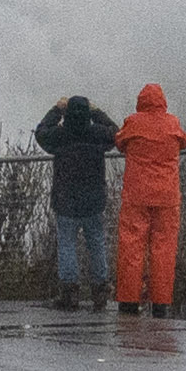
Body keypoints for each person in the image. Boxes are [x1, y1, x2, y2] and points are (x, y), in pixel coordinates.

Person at [30, 91, 116, 310]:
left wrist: (56, 110)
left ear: (67, 114)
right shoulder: (97, 134)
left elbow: (41, 133)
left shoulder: (60, 135)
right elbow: (116, 132)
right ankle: (100, 292)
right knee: (96, 244)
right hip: (93, 200)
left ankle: (70, 294)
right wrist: (97, 112)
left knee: (67, 245)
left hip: (66, 199)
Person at [114, 81, 186, 317]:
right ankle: (161, 303)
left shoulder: (133, 122)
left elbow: (120, 142)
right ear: (162, 102)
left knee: (131, 246)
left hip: (137, 194)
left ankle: (129, 300)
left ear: (141, 102)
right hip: (167, 196)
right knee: (164, 249)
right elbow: (184, 141)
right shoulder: (172, 123)